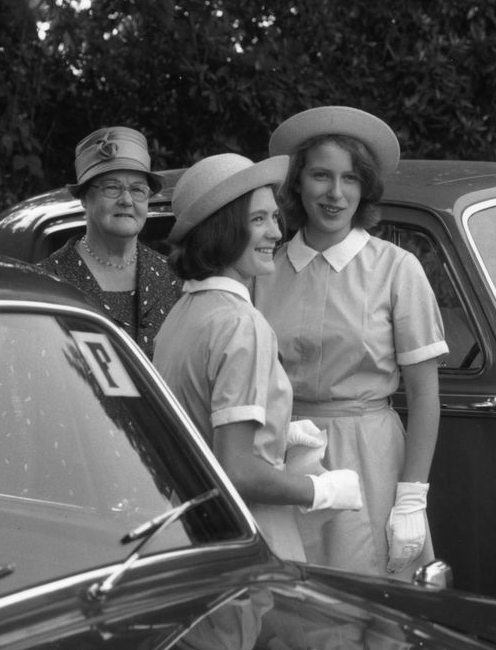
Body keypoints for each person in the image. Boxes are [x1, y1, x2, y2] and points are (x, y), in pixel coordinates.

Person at [255, 106, 448, 578]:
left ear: (365, 189)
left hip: (368, 457)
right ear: (298, 182)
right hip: (283, 456)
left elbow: (425, 395)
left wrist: (411, 499)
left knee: (367, 604)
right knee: (288, 597)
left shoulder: (397, 269)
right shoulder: (263, 271)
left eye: (350, 179)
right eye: (321, 175)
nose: (335, 193)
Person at [152, 152, 362, 562]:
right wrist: (324, 490)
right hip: (250, 535)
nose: (276, 234)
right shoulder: (240, 323)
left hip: (194, 530)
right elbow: (237, 470)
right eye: (258, 220)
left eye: (273, 218)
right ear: (223, 230)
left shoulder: (183, 313)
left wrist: (280, 432)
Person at [38, 126, 180, 358]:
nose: (126, 200)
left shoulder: (172, 277)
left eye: (138, 190)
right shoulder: (47, 281)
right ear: (85, 197)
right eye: (112, 188)